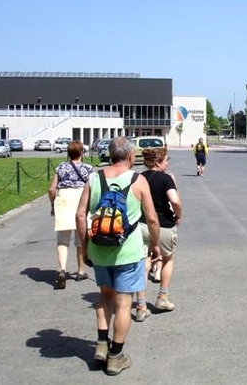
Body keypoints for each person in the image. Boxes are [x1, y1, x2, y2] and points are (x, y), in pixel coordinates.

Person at [75, 136, 161, 376]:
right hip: (129, 252)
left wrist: (85, 247)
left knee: (105, 298)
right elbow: (152, 219)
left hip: (99, 250)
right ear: (132, 156)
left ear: (110, 155)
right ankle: (115, 356)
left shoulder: (94, 178)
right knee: (124, 303)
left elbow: (81, 216)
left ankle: (102, 344)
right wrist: (155, 246)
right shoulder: (138, 180)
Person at [135, 147, 182, 322]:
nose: (168, 163)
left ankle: (140, 305)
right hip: (163, 226)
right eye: (166, 160)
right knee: (167, 258)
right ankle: (162, 297)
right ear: (158, 162)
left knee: (143, 263)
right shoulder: (166, 179)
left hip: (141, 225)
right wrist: (178, 214)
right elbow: (174, 200)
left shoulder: (139, 178)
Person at [48, 140, 94, 290]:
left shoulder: (61, 167)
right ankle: (81, 270)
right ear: (82, 152)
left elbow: (51, 190)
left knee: (63, 239)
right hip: (81, 198)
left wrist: (52, 204)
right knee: (81, 237)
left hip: (64, 199)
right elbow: (94, 188)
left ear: (68, 153)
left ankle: (62, 270)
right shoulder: (88, 168)